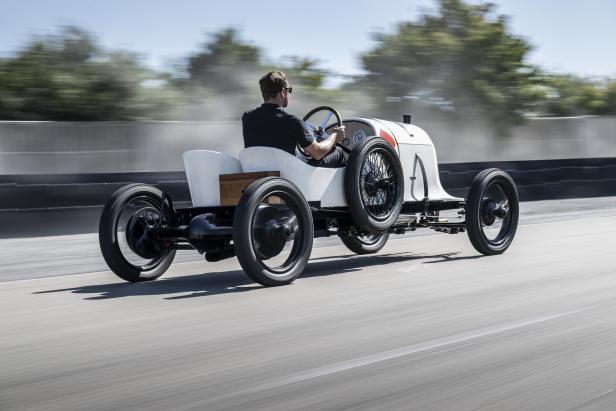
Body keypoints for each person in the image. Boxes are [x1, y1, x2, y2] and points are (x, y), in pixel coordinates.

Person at [242, 70, 346, 168]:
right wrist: (335, 136)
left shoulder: (247, 117)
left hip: (256, 170)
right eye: (289, 90)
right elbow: (317, 153)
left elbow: (271, 141)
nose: (289, 94)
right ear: (283, 92)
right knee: (338, 152)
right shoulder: (292, 122)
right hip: (288, 174)